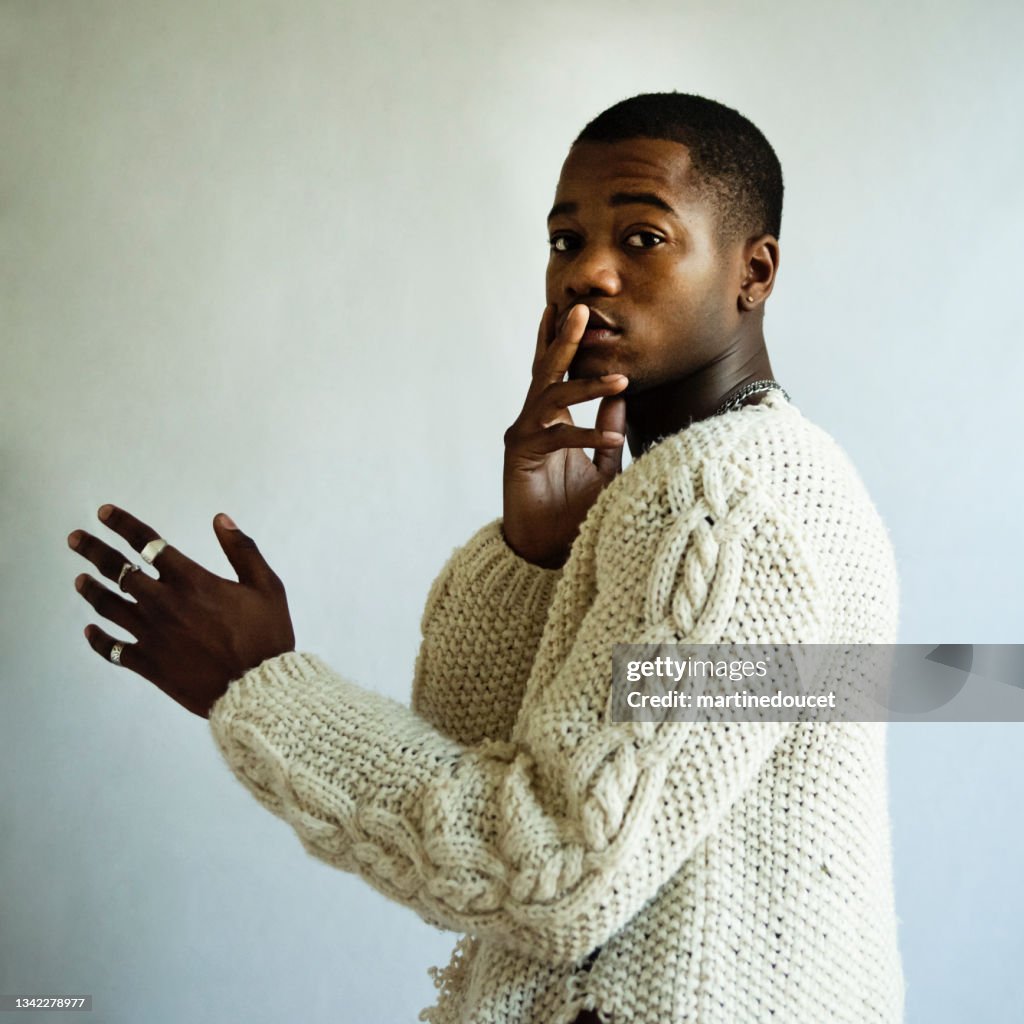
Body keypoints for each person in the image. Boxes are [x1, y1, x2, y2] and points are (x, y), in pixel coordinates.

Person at [67, 92, 905, 1022]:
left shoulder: (721, 499)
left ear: (754, 271)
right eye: (563, 241)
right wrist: (535, 560)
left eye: (642, 238)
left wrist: (260, 684)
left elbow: (545, 873)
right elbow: (485, 765)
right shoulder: (744, 477)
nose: (587, 272)